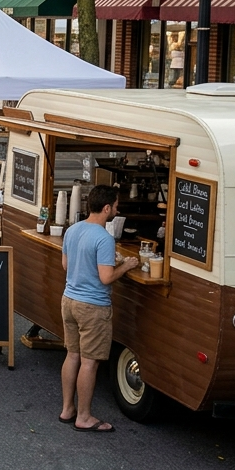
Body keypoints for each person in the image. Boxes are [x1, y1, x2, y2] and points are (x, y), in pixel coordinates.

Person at [60, 185, 138, 433]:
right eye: (115, 206)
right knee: (89, 362)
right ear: (106, 208)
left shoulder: (73, 230)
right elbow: (106, 278)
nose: (117, 210)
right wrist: (126, 266)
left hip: (69, 300)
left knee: (72, 355)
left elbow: (66, 265)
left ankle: (67, 409)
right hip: (93, 306)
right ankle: (84, 417)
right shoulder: (104, 238)